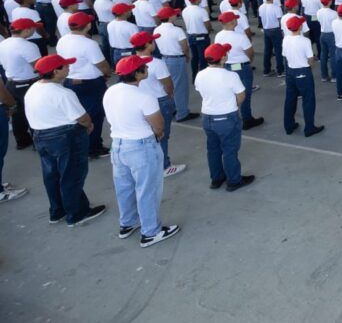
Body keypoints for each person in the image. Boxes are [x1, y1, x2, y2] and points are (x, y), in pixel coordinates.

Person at [104, 55, 180, 247]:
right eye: (144, 68)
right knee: (148, 189)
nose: (147, 68)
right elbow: (158, 124)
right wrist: (159, 133)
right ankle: (150, 232)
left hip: (118, 145)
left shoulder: (111, 91)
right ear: (138, 74)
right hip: (141, 146)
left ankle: (128, 223)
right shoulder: (145, 97)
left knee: (124, 186)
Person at [24, 54, 106, 226]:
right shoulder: (62, 93)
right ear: (55, 71)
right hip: (65, 136)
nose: (69, 68)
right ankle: (77, 213)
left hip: (41, 135)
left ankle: (57, 211)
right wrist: (89, 125)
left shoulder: (33, 89)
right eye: (65, 66)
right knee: (72, 174)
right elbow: (82, 118)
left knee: (52, 175)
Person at [194, 43, 254, 191]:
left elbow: (200, 91)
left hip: (207, 117)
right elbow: (241, 95)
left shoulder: (200, 74)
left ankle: (216, 178)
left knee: (213, 149)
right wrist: (231, 105)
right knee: (229, 150)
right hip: (227, 117)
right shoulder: (230, 75)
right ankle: (234, 180)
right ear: (223, 58)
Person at [56, 11, 112, 158]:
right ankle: (93, 148)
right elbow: (103, 65)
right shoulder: (89, 44)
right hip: (90, 84)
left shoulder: (63, 40)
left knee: (77, 115)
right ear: (87, 25)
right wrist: (106, 74)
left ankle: (81, 145)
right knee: (95, 115)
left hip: (70, 81)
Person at [132, 31, 186, 177]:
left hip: (139, 102)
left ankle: (149, 164)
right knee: (162, 134)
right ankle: (164, 166)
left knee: (147, 134)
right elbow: (168, 84)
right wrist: (169, 96)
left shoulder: (130, 62)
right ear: (148, 45)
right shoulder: (156, 63)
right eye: (152, 42)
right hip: (159, 101)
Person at [0, 18, 43, 152]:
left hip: (11, 82)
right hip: (28, 84)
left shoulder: (4, 43)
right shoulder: (28, 46)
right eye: (33, 28)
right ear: (27, 30)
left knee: (17, 114)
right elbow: (39, 67)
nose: (35, 30)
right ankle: (38, 143)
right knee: (34, 113)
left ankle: (22, 141)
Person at [214, 11, 262, 130]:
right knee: (244, 93)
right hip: (241, 67)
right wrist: (249, 61)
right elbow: (250, 53)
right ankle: (247, 119)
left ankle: (232, 117)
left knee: (230, 93)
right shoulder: (240, 37)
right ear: (232, 22)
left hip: (227, 66)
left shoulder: (218, 35)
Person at [282, 16, 324, 137]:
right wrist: (309, 66)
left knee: (290, 99)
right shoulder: (305, 41)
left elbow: (285, 55)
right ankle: (309, 127)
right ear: (300, 27)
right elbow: (311, 59)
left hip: (290, 72)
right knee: (308, 100)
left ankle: (288, 126)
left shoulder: (285, 39)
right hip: (303, 72)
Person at [258, 0, 285, 77]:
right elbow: (280, 20)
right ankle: (280, 71)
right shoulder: (276, 7)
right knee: (278, 50)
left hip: (266, 30)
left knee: (267, 50)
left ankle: (266, 70)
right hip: (276, 30)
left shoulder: (261, 7)